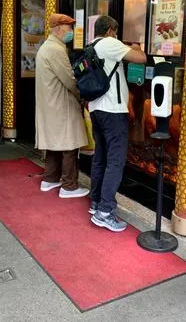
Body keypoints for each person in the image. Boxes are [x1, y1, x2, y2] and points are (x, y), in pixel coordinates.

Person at [88, 15, 146, 232]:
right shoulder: (110, 44)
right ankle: (105, 211)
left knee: (100, 157)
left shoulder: (91, 46)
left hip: (96, 109)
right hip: (112, 111)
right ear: (111, 30)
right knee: (115, 161)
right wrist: (137, 46)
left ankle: (96, 202)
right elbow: (140, 58)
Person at [35, 14, 89, 199]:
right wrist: (83, 95)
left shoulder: (46, 47)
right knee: (69, 144)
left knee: (54, 143)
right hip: (61, 105)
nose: (71, 33)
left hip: (50, 104)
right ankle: (69, 186)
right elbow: (70, 80)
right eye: (69, 29)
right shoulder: (56, 50)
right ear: (59, 30)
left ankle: (49, 179)